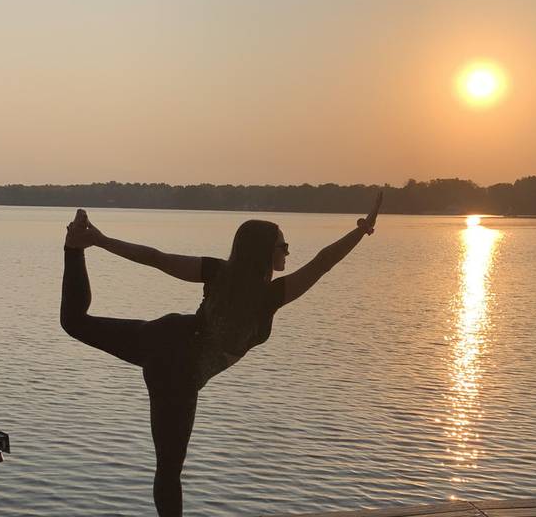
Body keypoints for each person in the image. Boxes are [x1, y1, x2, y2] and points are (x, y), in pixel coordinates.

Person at [60, 193, 382, 516]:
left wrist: (98, 241)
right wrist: (361, 231)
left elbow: (157, 258)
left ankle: (74, 246)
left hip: (164, 339)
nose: (287, 251)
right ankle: (79, 243)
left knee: (74, 322)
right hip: (178, 369)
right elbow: (322, 263)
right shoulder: (269, 296)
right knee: (169, 470)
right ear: (264, 251)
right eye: (282, 246)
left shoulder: (220, 273)